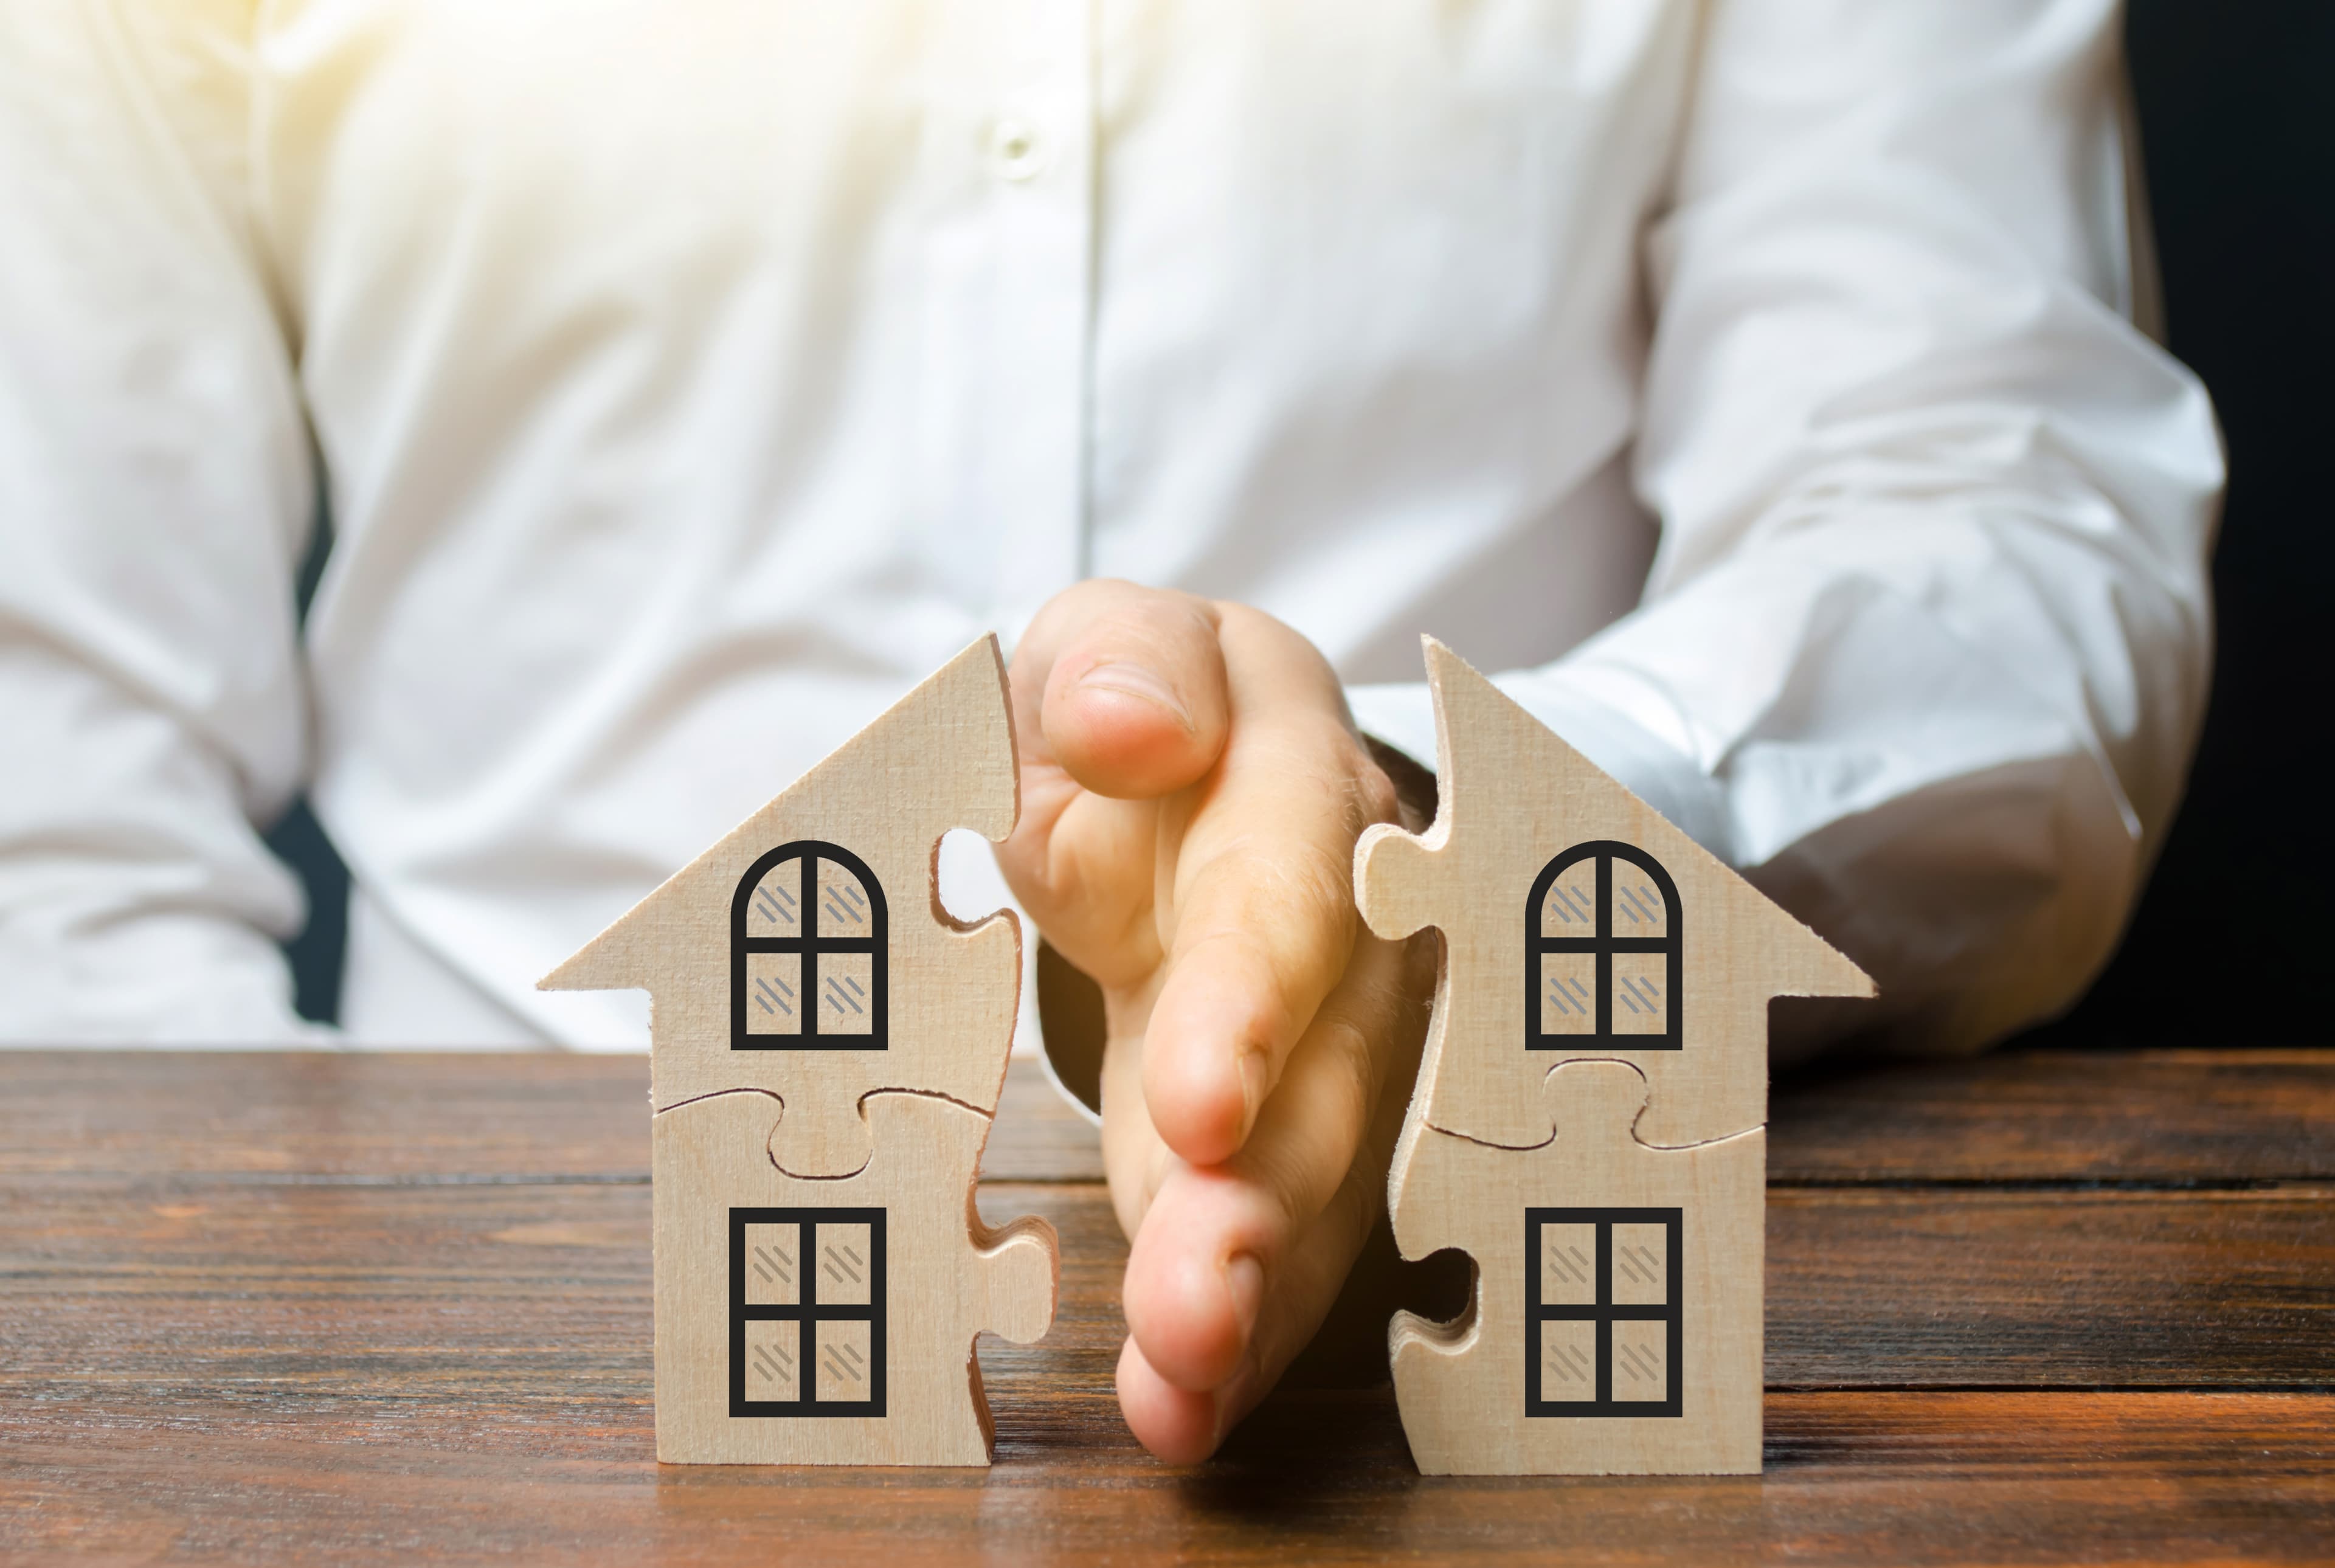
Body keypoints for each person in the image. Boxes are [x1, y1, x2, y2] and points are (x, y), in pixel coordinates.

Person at [0, 0, 2220, 1462]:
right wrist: (280, 1439)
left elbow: (1994, 499)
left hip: (1481, 1361)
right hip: (491, 1377)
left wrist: (1448, 845)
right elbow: (46, 824)